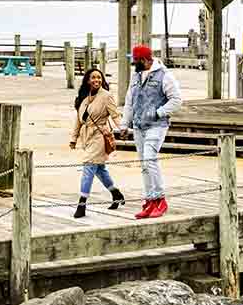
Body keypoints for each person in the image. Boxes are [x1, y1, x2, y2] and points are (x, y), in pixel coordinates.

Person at [122, 43, 182, 219]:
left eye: (135, 60)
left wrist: (158, 113)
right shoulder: (136, 77)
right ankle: (149, 200)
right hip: (139, 127)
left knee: (150, 160)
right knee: (144, 165)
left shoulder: (164, 76)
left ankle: (160, 199)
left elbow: (176, 100)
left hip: (157, 126)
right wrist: (124, 124)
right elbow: (129, 102)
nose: (133, 63)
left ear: (144, 60)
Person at [68, 66, 125, 217]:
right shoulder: (84, 98)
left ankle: (82, 204)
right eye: (93, 77)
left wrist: (123, 128)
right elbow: (78, 121)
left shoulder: (106, 96)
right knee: (100, 169)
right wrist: (73, 138)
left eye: (99, 77)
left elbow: (115, 115)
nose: (97, 80)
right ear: (88, 80)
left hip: (100, 136)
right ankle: (116, 194)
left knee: (88, 167)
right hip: (87, 138)